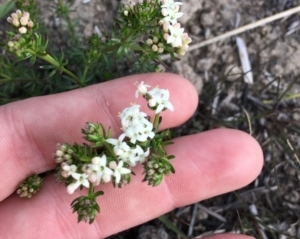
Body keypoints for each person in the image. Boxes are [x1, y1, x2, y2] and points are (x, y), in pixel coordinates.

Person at [0, 73, 263, 239]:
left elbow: (125, 148)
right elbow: (118, 151)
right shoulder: (116, 149)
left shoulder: (131, 136)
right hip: (120, 152)